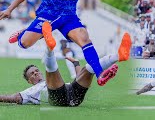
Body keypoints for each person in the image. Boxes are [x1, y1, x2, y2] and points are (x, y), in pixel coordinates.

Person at [0, 0, 128, 86]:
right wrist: (9, 9)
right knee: (25, 43)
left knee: (84, 38)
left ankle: (100, 74)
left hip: (69, 17)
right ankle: (23, 33)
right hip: (49, 15)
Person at [0, 30, 132, 106]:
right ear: (29, 81)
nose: (36, 74)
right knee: (52, 72)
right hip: (57, 98)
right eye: (32, 74)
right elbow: (13, 98)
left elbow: (78, 78)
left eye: (36, 71)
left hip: (75, 96)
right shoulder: (29, 91)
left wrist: (76, 64)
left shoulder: (48, 82)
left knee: (88, 68)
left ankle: (118, 55)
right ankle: (50, 47)